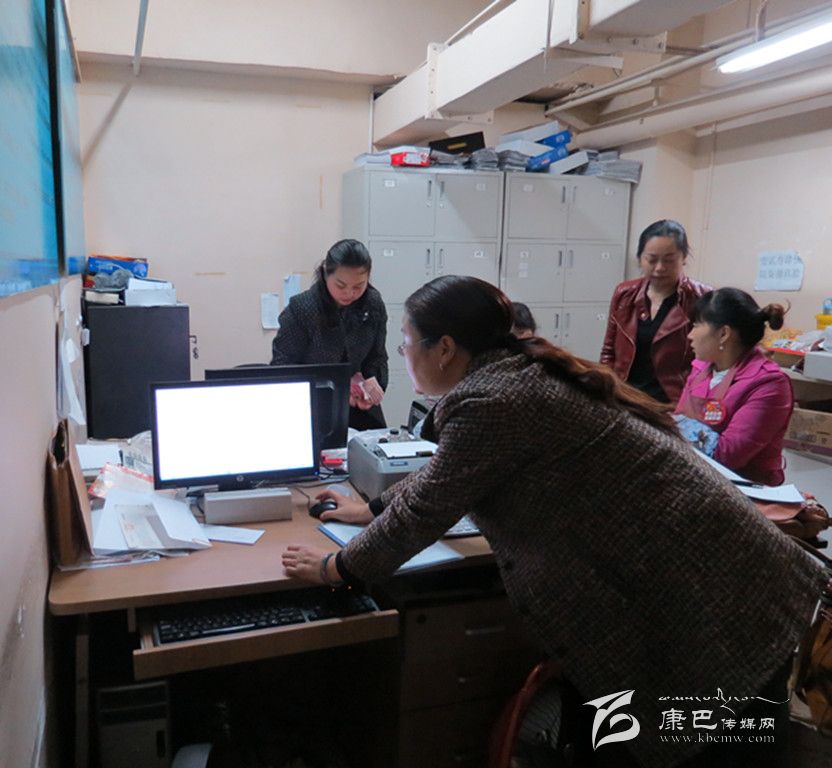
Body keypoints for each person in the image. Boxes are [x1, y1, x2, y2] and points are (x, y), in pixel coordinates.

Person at [281, 275, 822, 768]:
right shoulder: (515, 375)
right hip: (706, 587)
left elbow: (426, 510)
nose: (402, 354)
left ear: (444, 348)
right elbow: (447, 478)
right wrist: (370, 509)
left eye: (405, 342)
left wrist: (336, 568)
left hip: (721, 603)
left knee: (713, 751)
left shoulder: (491, 399)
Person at [674, 288, 793, 486]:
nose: (690, 335)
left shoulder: (770, 383)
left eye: (696, 326)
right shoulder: (701, 369)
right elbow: (676, 423)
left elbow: (726, 454)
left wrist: (672, 425)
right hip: (696, 477)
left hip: (744, 489)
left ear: (723, 334)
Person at [271, 239, 388, 430]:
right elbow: (283, 368)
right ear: (326, 273)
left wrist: (372, 382)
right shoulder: (302, 309)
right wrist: (338, 386)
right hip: (313, 406)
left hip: (359, 408)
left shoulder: (372, 304)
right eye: (341, 285)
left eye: (358, 286)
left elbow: (377, 356)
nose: (349, 293)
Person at [600, 220, 711, 403]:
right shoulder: (624, 293)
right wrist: (606, 391)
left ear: (683, 257)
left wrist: (691, 403)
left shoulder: (701, 297)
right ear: (640, 258)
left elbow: (709, 360)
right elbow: (609, 351)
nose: (660, 268)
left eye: (669, 260)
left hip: (674, 402)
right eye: (651, 259)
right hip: (625, 397)